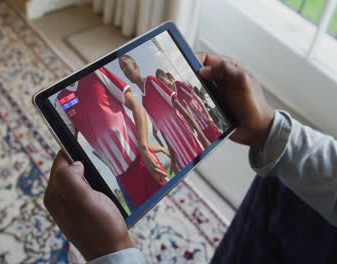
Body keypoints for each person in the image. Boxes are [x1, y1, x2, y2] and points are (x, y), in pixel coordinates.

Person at [44, 53, 337, 263]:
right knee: (278, 186)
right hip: (121, 172)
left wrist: (114, 255)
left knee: (111, 228)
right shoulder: (69, 101)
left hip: (141, 155)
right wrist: (270, 131)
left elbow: (161, 107)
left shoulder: (135, 83)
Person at [54, 66, 169, 208]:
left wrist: (145, 149)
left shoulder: (95, 72)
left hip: (142, 158)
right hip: (122, 175)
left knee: (170, 203)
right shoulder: (60, 102)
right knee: (150, 215)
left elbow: (135, 105)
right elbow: (69, 147)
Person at [118, 55, 211, 169]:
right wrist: (173, 161)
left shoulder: (152, 81)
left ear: (135, 66)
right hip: (180, 153)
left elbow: (179, 107)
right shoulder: (143, 101)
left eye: (125, 65)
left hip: (189, 141)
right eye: (121, 69)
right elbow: (165, 134)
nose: (124, 71)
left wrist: (202, 137)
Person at [156, 69, 223, 142]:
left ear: (165, 76)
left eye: (162, 79)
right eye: (160, 82)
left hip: (205, 122)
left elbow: (197, 98)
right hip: (198, 130)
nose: (162, 83)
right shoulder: (172, 96)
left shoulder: (178, 84)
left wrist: (209, 116)